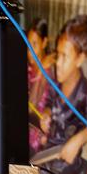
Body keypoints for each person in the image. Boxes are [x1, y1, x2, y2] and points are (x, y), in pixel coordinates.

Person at [35, 14, 87, 174]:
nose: (58, 62)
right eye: (57, 54)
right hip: (50, 146)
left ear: (80, 59)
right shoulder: (56, 83)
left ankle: (84, 168)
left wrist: (78, 140)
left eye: (64, 56)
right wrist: (46, 114)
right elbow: (49, 102)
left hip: (68, 154)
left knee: (63, 171)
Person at [25, 18, 54, 156]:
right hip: (27, 133)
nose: (29, 51)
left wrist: (42, 72)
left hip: (43, 137)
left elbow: (32, 105)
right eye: (28, 44)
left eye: (34, 44)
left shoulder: (53, 70)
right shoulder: (28, 69)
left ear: (45, 42)